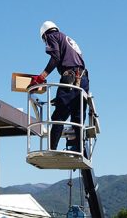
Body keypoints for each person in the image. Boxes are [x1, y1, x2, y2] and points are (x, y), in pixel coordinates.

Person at [29, 21, 89, 152]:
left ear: (44, 35)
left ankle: (52, 149)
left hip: (70, 78)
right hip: (83, 80)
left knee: (58, 117)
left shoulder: (52, 36)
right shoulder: (68, 40)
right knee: (77, 118)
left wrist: (41, 77)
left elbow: (55, 58)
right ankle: (80, 150)